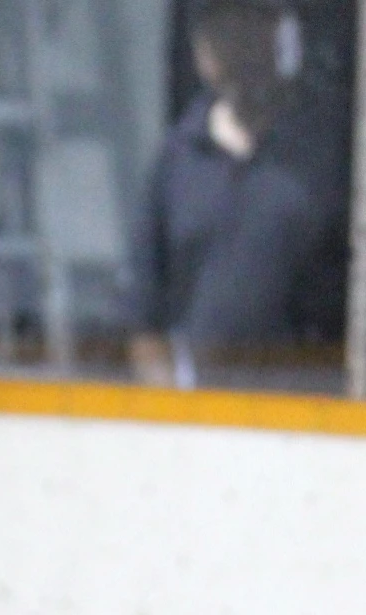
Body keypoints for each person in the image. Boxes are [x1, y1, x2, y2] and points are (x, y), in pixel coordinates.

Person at [129, 0, 351, 385]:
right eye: (221, 29)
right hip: (205, 412)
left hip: (314, 415)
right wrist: (172, 412)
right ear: (200, 49)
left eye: (250, 22)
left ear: (276, 32)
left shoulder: (328, 152)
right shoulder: (177, 159)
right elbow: (145, 313)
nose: (236, 44)